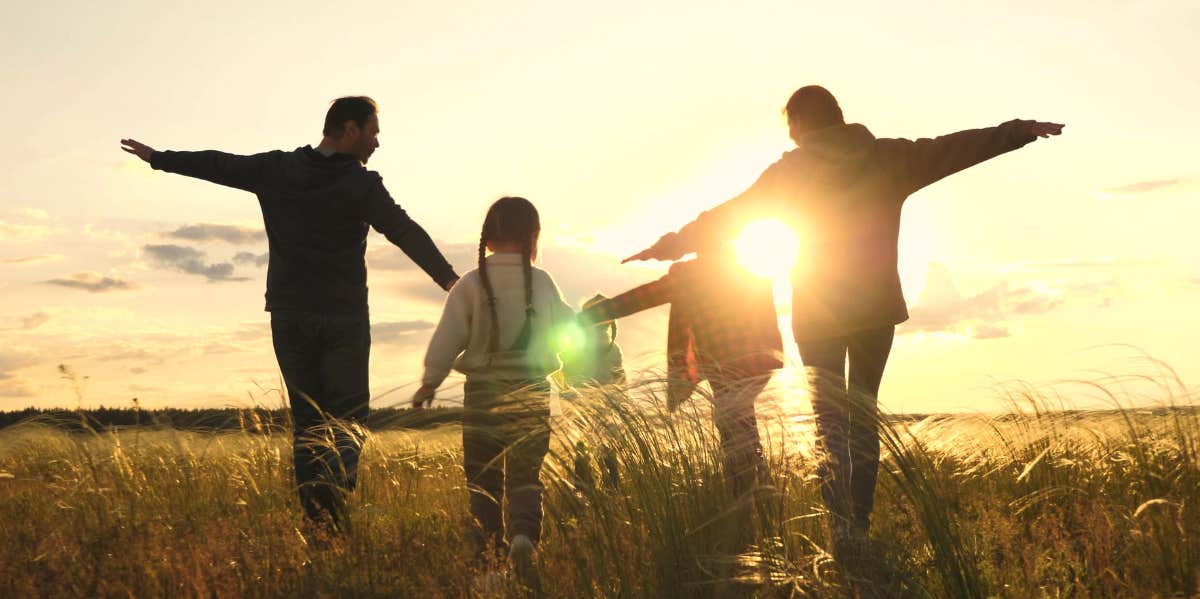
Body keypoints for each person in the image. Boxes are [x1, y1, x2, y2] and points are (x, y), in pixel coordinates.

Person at [624, 85, 1064, 546]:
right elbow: (953, 148)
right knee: (862, 414)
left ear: (797, 124)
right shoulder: (886, 158)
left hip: (817, 314)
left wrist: (669, 244)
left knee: (829, 423)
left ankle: (841, 528)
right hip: (875, 310)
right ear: (838, 116)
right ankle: (859, 524)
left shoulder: (790, 172)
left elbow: (729, 216)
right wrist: (1019, 132)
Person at [120, 96, 460, 533]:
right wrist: (450, 281)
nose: (377, 142)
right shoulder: (362, 185)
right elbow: (403, 230)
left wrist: (160, 159)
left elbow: (220, 165)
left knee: (308, 423)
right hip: (343, 319)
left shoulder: (279, 170)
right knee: (348, 420)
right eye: (373, 132)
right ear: (350, 129)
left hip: (289, 314)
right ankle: (334, 506)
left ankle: (320, 521)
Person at [581, 239, 783, 554]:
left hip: (725, 367)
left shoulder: (693, 276)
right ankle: (760, 506)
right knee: (741, 427)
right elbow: (768, 326)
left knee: (734, 430)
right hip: (753, 366)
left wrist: (595, 313)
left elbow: (642, 297)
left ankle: (747, 513)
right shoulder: (746, 273)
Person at [413, 196, 574, 579]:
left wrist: (429, 382)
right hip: (531, 392)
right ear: (532, 236)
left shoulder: (470, 283)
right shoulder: (542, 281)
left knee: (483, 479)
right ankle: (523, 536)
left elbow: (447, 337)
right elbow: (567, 329)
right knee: (525, 474)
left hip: (482, 394)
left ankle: (489, 558)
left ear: (487, 238)